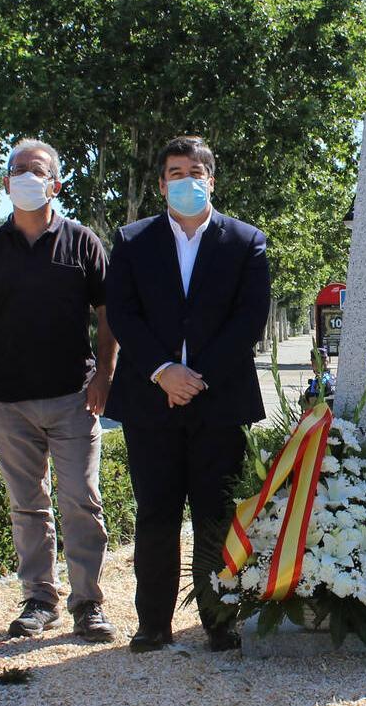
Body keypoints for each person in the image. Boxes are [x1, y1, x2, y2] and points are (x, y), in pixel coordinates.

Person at [105, 135, 270, 653]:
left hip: (218, 399)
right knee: (155, 514)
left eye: (195, 171)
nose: (186, 180)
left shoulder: (246, 241)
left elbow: (249, 320)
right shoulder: (132, 240)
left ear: (211, 180)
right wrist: (163, 371)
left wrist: (194, 377)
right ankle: (153, 623)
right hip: (149, 398)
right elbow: (122, 313)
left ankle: (218, 618)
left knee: (214, 515)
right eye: (175, 172)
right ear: (161, 183)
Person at [0, 139, 118, 642]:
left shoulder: (82, 241)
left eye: (38, 170)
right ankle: (38, 600)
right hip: (8, 399)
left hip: (74, 396)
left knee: (81, 501)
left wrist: (104, 377)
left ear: (56, 183)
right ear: (6, 183)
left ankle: (88, 604)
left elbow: (106, 314)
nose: (26, 177)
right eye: (17, 170)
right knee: (27, 505)